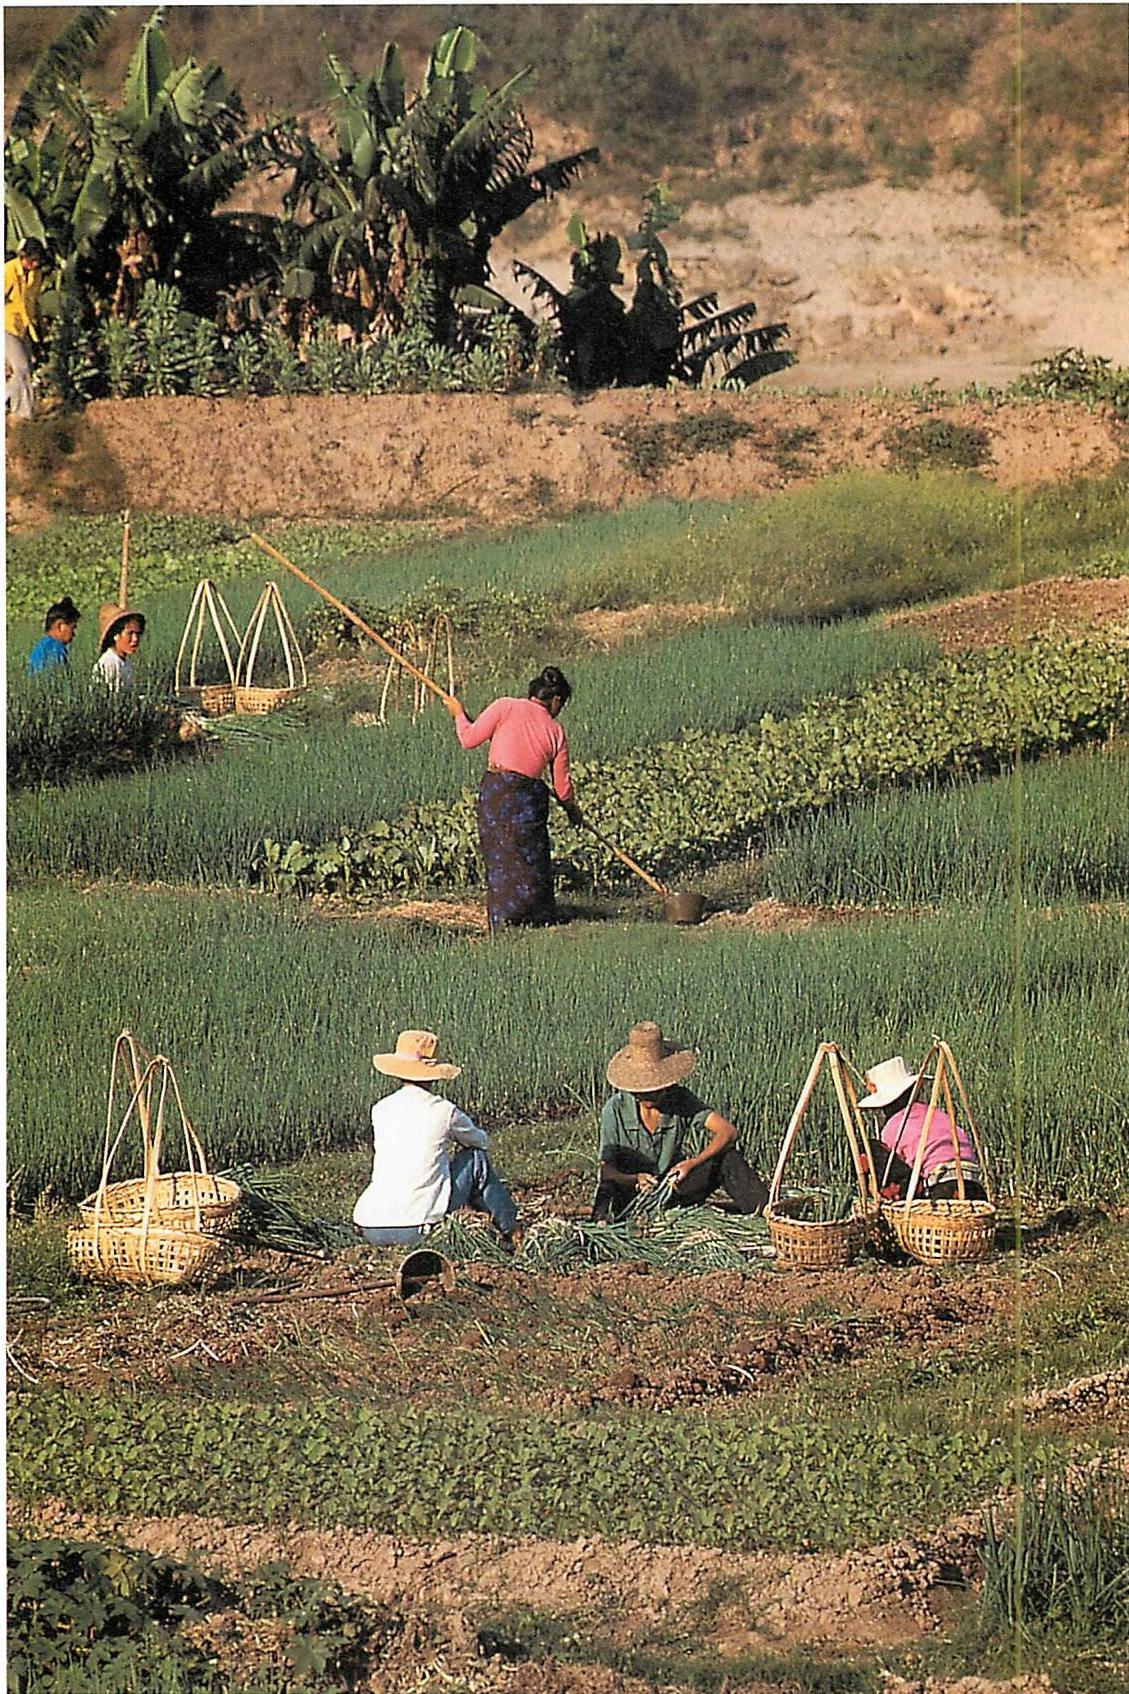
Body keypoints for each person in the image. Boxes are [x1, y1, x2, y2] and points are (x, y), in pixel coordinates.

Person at [444, 664, 582, 932]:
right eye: (561, 704)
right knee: (532, 856)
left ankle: (502, 918)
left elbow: (468, 738)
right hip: (528, 799)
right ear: (555, 700)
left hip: (497, 792)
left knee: (499, 854)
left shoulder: (505, 706)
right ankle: (536, 915)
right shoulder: (555, 731)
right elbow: (562, 788)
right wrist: (572, 810)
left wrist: (458, 714)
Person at [353, 1029, 519, 1248]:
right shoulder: (444, 1110)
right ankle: (511, 1230)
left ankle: (500, 1227)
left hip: (371, 1226)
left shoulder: (380, 1109)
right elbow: (480, 1141)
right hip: (417, 1228)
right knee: (475, 1159)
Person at [593, 1021, 768, 1221]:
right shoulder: (615, 1109)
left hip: (672, 1192)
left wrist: (692, 1163)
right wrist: (634, 1179)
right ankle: (603, 1226)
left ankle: (768, 1214)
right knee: (607, 1189)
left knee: (728, 1159)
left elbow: (728, 1131)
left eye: (656, 1090)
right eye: (643, 1092)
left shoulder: (680, 1099)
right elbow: (607, 1170)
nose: (650, 1096)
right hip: (630, 1195)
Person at [857, 1055, 986, 1201]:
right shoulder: (935, 1113)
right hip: (975, 1187)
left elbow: (893, 1169)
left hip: (941, 1188)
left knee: (870, 1149)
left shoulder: (892, 1127)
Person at [5, 237, 46, 420]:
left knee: (26, 367)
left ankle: (9, 402)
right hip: (7, 326)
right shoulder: (8, 271)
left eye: (38, 259)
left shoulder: (36, 274)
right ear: (23, 257)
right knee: (22, 368)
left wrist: (41, 329)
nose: (35, 263)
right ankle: (24, 416)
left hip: (24, 327)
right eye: (32, 259)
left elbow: (34, 302)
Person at [94, 601, 145, 692]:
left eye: (138, 634)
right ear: (116, 635)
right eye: (130, 633)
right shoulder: (110, 662)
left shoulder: (125, 660)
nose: (135, 639)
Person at [27, 596, 81, 675]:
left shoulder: (41, 646)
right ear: (60, 626)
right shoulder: (57, 648)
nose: (74, 634)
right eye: (72, 628)